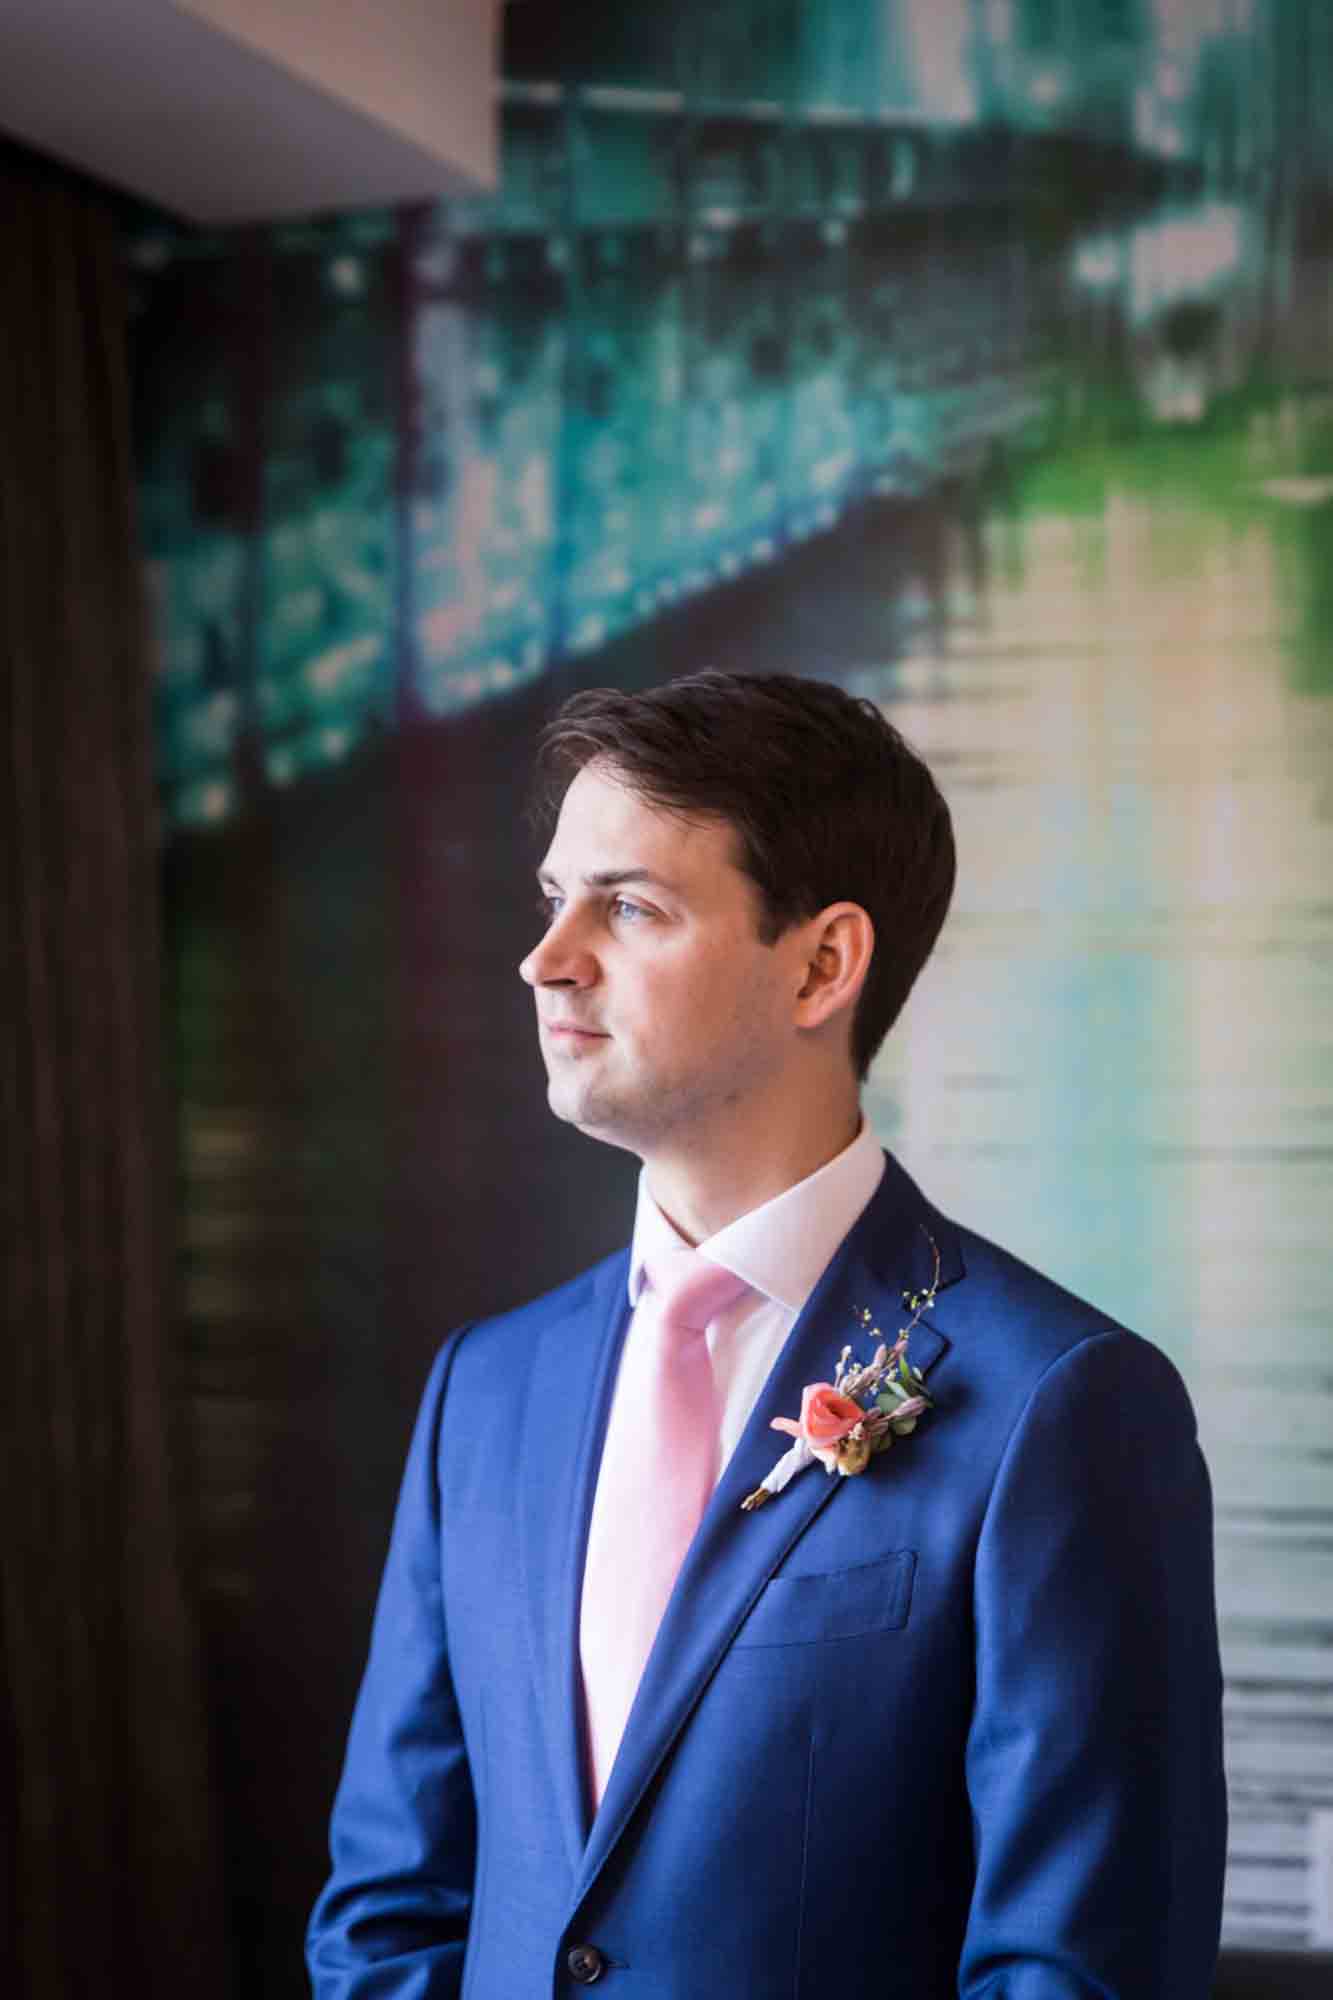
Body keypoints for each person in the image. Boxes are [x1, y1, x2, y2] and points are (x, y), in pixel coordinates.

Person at [307, 670, 1226, 1998]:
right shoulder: (485, 1389)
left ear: (820, 965)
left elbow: (1077, 1971)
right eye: (551, 898)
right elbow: (389, 1914)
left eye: (627, 905)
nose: (547, 956)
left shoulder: (1057, 1401)